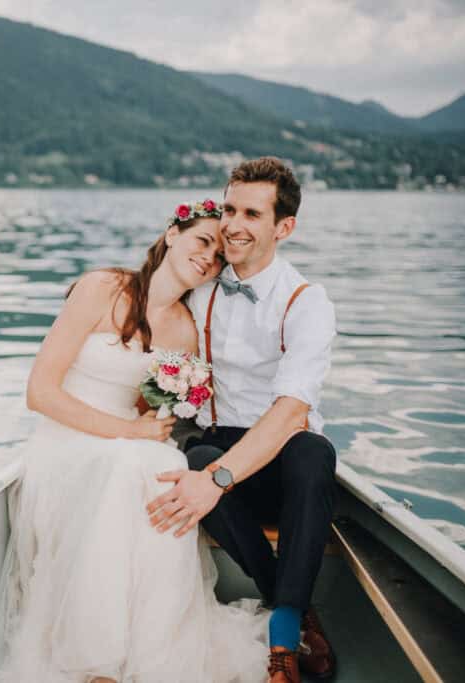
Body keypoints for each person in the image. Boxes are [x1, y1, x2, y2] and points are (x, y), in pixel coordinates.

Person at [0, 200, 269, 682]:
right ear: (173, 234)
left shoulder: (184, 330)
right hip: (66, 439)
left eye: (219, 257)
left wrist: (156, 415)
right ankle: (95, 660)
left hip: (125, 445)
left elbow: (151, 413)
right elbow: (40, 392)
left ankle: (155, 651)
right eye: (202, 242)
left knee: (160, 468)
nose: (209, 258)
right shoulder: (101, 288)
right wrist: (130, 431)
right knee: (130, 463)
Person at [146, 157, 338, 683]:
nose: (232, 224)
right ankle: (291, 608)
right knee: (197, 454)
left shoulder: (307, 301)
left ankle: (279, 641)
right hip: (219, 450)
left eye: (251, 213)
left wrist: (216, 481)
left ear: (284, 227)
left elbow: (292, 410)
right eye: (229, 208)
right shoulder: (200, 287)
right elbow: (148, 300)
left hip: (284, 463)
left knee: (313, 451)